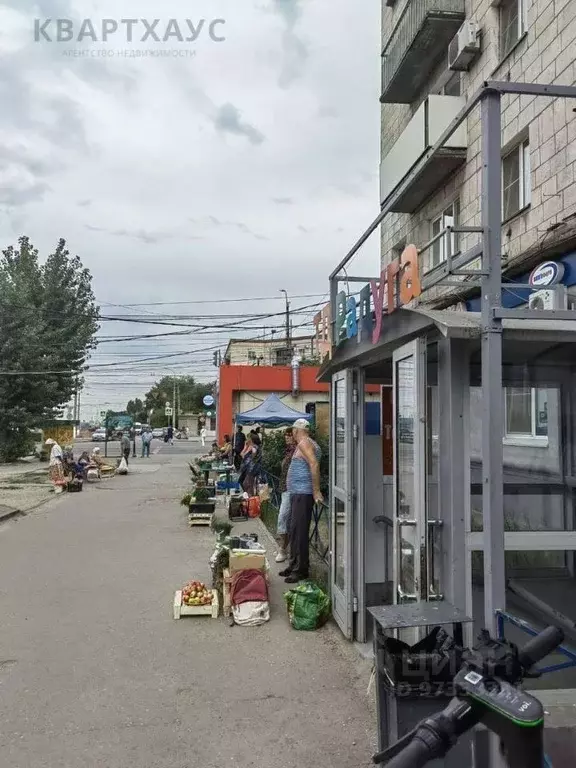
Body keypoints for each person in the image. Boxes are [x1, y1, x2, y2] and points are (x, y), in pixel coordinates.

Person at [279, 419, 322, 584]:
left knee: (300, 532)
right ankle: (293, 565)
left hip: (303, 493)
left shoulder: (304, 443)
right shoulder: (308, 442)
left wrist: (316, 491)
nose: (292, 435)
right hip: (297, 493)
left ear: (297, 431)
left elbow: (314, 464)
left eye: (293, 432)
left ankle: (301, 570)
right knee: (294, 530)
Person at [275, 427, 296, 563]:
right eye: (286, 435)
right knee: (285, 519)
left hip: (291, 489)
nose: (287, 437)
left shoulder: (296, 450)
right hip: (285, 488)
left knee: (283, 518)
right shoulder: (288, 450)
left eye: (290, 435)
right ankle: (284, 548)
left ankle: (283, 550)